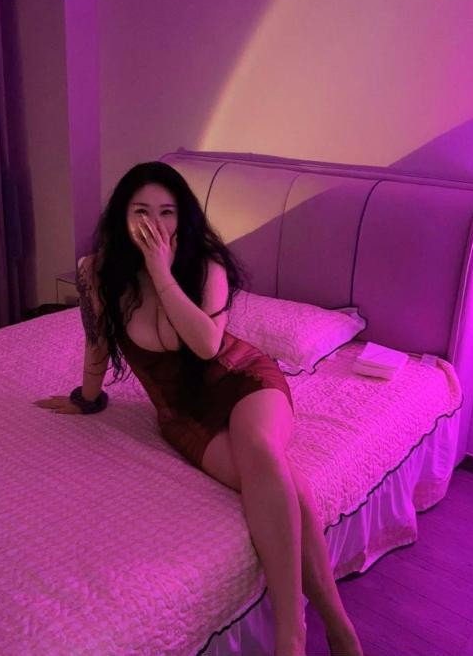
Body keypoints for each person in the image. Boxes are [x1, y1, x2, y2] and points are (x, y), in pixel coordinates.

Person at [34, 161, 364, 656]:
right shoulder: (98, 272)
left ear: (182, 217)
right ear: (122, 216)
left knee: (260, 450)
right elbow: (97, 341)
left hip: (243, 380)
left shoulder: (206, 266)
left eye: (166, 212)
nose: (154, 223)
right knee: (277, 479)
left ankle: (291, 634)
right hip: (183, 417)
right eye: (141, 211)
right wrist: (87, 397)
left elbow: (208, 345)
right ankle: (338, 626)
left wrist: (161, 273)